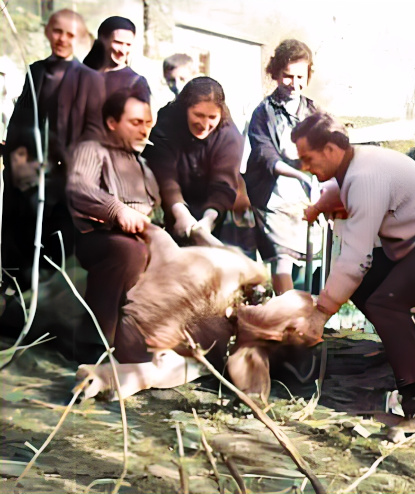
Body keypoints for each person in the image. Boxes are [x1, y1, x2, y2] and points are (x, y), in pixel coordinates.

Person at [292, 111, 415, 430]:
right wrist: (322, 205)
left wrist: (320, 314)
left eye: (309, 159)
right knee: (371, 294)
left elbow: (356, 258)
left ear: (331, 150)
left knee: (384, 303)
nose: (306, 168)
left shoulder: (364, 176)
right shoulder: (357, 165)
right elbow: (343, 191)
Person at [2, 9, 104, 289]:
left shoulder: (90, 79)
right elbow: (21, 120)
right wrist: (18, 159)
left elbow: (94, 133)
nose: (62, 39)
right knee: (20, 230)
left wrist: (73, 169)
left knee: (56, 238)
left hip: (67, 174)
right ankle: (16, 291)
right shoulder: (36, 70)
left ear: (80, 38)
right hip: (30, 170)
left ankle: (48, 297)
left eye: (70, 35)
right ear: (48, 32)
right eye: (57, 32)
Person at [66, 88, 158, 362]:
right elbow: (78, 188)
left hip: (141, 238)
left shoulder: (142, 164)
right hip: (98, 237)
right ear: (112, 122)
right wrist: (116, 210)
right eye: (136, 123)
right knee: (128, 251)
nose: (144, 131)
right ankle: (93, 343)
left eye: (147, 124)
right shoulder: (92, 149)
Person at [244, 39, 320, 294]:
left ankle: (303, 321)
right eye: (288, 76)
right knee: (282, 261)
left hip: (306, 196)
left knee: (307, 262)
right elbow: (266, 155)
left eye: (300, 76)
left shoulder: (314, 112)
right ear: (275, 74)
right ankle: (288, 319)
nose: (294, 83)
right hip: (273, 194)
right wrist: (300, 174)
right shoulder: (263, 112)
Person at [141, 76, 246, 241]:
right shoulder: (166, 123)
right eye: (198, 115)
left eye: (212, 117)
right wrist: (179, 211)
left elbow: (223, 185)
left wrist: (208, 221)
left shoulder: (230, 137)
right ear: (185, 109)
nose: (204, 125)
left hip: (212, 209)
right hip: (167, 204)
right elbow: (164, 176)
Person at [82, 16, 150, 101]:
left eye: (128, 45)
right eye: (118, 42)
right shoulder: (83, 75)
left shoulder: (136, 83)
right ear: (102, 39)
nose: (123, 51)